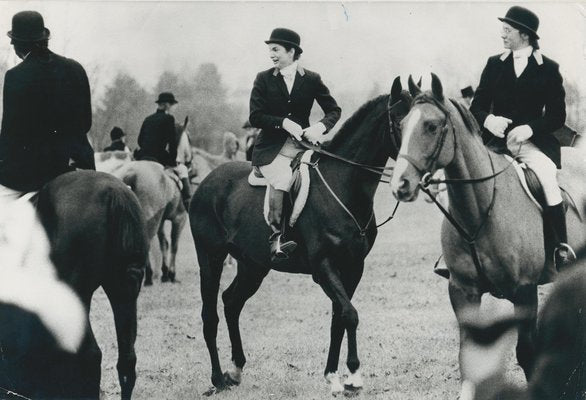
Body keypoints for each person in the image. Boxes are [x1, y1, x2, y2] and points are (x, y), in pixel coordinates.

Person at [470, 6, 575, 268]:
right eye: (502, 30)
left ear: (524, 35)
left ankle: (560, 248)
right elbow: (477, 106)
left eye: (507, 30)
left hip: (531, 144)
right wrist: (489, 120)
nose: (502, 35)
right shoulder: (494, 64)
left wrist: (529, 128)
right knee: (467, 178)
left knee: (549, 179)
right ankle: (458, 254)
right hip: (495, 143)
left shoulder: (548, 68)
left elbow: (556, 116)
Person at [249, 27, 341, 262]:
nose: (271, 54)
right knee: (282, 178)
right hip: (271, 150)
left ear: (292, 51)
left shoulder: (311, 79)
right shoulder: (263, 78)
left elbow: (333, 110)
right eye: (270, 50)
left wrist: (319, 127)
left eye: (276, 50)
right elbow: (255, 116)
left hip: (302, 146)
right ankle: (277, 237)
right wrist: (283, 123)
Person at [0, 10, 95, 201]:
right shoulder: (75, 68)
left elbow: (11, 131)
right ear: (44, 38)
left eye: (14, 40)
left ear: (17, 44)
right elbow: (86, 122)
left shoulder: (15, 75)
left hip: (36, 170)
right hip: (81, 161)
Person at [136, 92, 191, 209]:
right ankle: (188, 202)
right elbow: (172, 144)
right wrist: (172, 162)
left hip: (141, 157)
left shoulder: (148, 119)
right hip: (159, 158)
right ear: (166, 105)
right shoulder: (169, 119)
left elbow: (139, 141)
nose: (173, 108)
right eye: (172, 105)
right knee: (183, 169)